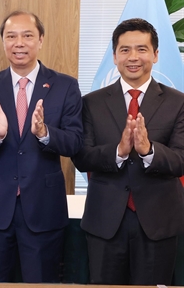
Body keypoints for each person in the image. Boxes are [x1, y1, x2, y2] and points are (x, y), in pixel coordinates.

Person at [0, 10, 83, 283]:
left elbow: (75, 142)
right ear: (3, 42)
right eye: (11, 36)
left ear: (40, 40)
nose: (19, 43)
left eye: (27, 35)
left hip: (44, 208)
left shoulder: (65, 86)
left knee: (41, 284)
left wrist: (45, 133)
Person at [72, 18, 184, 285]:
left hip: (158, 223)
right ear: (114, 56)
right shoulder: (91, 103)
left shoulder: (178, 102)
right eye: (125, 50)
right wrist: (119, 151)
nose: (133, 57)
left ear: (155, 55)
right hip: (105, 221)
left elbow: (181, 159)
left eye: (141, 49)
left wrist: (149, 150)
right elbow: (82, 156)